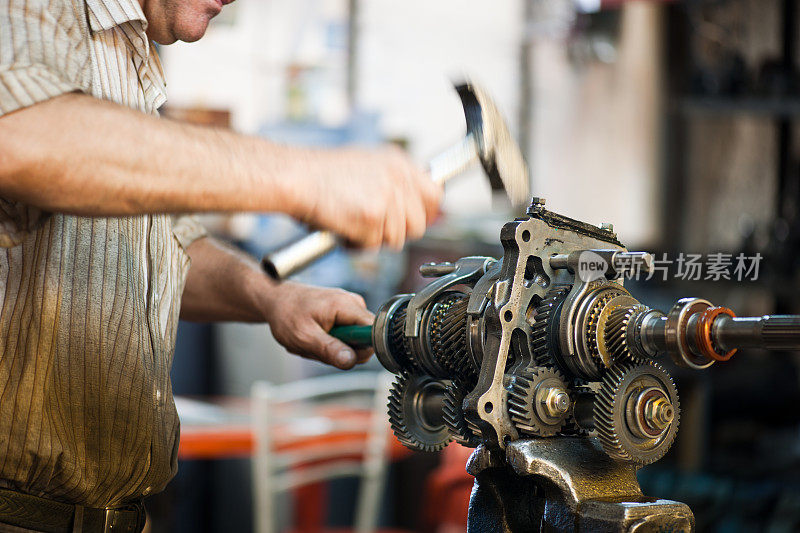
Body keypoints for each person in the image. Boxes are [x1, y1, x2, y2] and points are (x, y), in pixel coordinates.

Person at [0, 0, 441, 530]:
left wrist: (271, 298)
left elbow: (163, 242)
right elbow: (19, 135)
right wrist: (305, 176)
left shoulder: (129, 50)